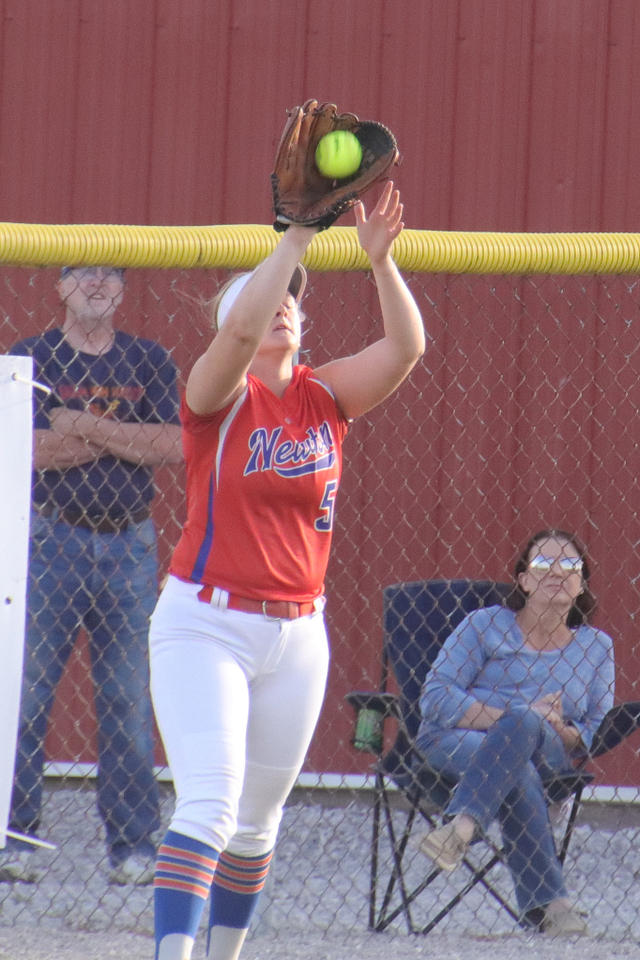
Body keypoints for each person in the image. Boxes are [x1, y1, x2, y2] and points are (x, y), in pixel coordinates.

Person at [148, 180, 425, 960]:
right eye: (265, 295)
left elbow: (405, 350)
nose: (280, 306)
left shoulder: (324, 395)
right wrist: (297, 236)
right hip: (206, 625)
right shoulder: (216, 397)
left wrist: (381, 263)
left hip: (298, 636)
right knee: (209, 805)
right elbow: (240, 330)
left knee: (256, 825)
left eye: (291, 299)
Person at [1, 265, 183, 887]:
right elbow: (28, 450)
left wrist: (80, 424)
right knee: (26, 693)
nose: (97, 285)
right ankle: (13, 838)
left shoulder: (149, 359)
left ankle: (133, 846)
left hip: (130, 545)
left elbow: (173, 445)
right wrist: (125, 438)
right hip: (50, 541)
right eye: (83, 275)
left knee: (127, 699)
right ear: (59, 287)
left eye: (110, 274)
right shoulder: (30, 355)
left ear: (125, 290)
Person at [417, 528, 615, 936]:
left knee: (525, 731)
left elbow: (596, 729)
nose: (557, 572)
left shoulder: (597, 648)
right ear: (523, 580)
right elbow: (434, 697)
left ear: (581, 584)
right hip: (452, 740)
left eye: (570, 564)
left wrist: (556, 727)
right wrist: (515, 716)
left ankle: (462, 826)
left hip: (549, 752)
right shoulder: (485, 624)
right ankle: (554, 907)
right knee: (517, 760)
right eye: (543, 563)